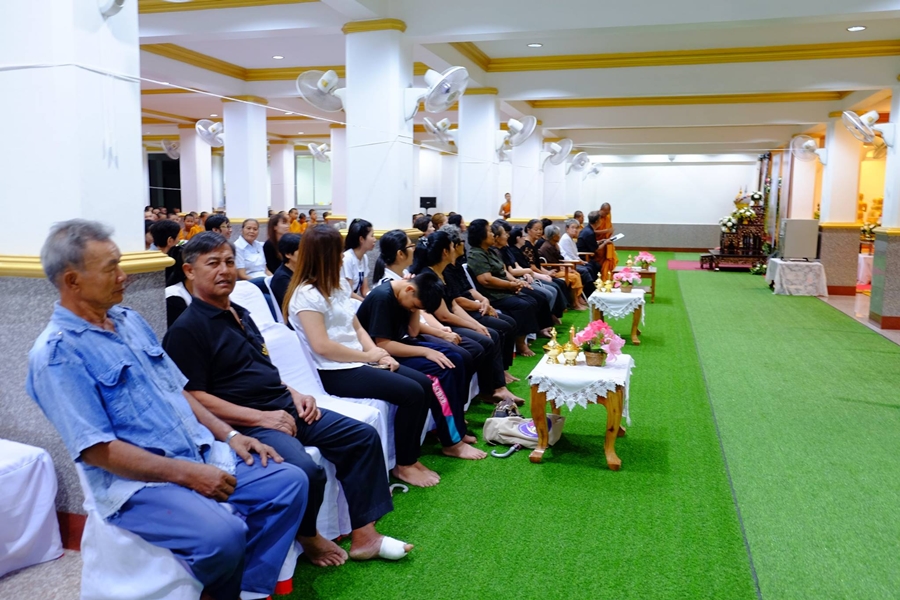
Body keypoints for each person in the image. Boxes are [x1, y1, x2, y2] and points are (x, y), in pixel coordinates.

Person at [28, 220, 307, 600]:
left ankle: (250, 590)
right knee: (223, 536)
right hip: (138, 484)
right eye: (111, 268)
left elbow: (178, 391)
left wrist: (230, 435)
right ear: (72, 281)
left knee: (289, 482)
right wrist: (190, 475)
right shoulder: (57, 355)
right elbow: (97, 450)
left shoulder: (129, 320)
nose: (124, 276)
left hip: (198, 451)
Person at [164, 233, 412, 566]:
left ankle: (365, 535)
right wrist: (260, 418)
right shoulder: (186, 330)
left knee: (361, 436)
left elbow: (261, 368)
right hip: (248, 422)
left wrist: (295, 393)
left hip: (285, 405)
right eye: (213, 263)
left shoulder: (239, 313)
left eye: (229, 261)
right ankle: (309, 537)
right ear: (189, 271)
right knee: (305, 470)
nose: (224, 270)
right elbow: (194, 398)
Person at [283, 226, 439, 487]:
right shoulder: (306, 295)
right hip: (333, 370)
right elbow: (322, 347)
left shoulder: (336, 286)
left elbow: (355, 327)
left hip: (357, 360)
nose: (342, 257)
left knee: (423, 383)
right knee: (411, 392)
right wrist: (368, 355)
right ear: (323, 255)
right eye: (337, 251)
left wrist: (378, 355)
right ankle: (404, 464)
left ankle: (410, 458)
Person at [356, 271, 487, 460]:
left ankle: (456, 427)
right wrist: (426, 352)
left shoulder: (406, 293)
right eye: (415, 305)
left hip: (398, 344)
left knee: (456, 359)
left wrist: (416, 309)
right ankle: (452, 443)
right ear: (409, 289)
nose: (413, 309)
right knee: (439, 370)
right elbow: (383, 345)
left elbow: (413, 331)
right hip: (381, 355)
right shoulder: (382, 298)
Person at [410, 231, 523, 405]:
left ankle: (495, 387)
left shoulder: (443, 272)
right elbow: (444, 315)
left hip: (448, 320)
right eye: (452, 245)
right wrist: (473, 326)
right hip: (439, 325)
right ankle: (490, 390)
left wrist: (475, 324)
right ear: (445, 251)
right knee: (486, 339)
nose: (456, 248)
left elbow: (454, 305)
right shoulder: (429, 276)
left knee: (489, 333)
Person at [440, 225, 519, 384]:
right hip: (465, 310)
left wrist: (484, 301)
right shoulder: (445, 270)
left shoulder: (457, 264)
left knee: (509, 323)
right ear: (452, 247)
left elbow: (469, 289)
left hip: (472, 305)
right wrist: (480, 306)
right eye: (460, 241)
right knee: (498, 330)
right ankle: (495, 382)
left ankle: (503, 370)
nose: (464, 244)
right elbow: (457, 301)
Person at [466, 219, 548, 357]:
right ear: (481, 235)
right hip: (492, 294)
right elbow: (486, 280)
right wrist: (510, 285)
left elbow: (503, 272)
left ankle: (527, 337)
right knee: (523, 305)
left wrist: (515, 283)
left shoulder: (490, 251)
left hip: (503, 290)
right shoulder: (476, 254)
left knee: (532, 300)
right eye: (489, 231)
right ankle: (521, 344)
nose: (493, 234)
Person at [499, 225, 563, 322]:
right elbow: (510, 271)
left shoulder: (509, 250)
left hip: (524, 277)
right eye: (505, 234)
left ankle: (548, 317)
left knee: (553, 288)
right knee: (545, 294)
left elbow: (518, 266)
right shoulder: (507, 251)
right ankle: (543, 321)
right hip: (516, 280)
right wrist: (527, 273)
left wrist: (528, 272)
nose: (507, 236)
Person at [539, 225, 588, 309]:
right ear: (553, 236)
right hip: (553, 271)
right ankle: (575, 303)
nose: (559, 236)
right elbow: (552, 263)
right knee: (574, 277)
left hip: (559, 268)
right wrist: (564, 268)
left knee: (576, 274)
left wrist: (566, 267)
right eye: (558, 234)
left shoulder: (554, 245)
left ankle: (578, 298)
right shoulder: (547, 247)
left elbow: (560, 258)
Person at [559, 219, 598, 293]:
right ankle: (590, 292)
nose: (575, 230)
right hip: (569, 264)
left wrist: (580, 260)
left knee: (591, 265)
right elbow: (569, 256)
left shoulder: (571, 238)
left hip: (574, 261)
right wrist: (579, 261)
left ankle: (593, 288)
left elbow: (575, 254)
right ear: (567, 229)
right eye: (573, 227)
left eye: (576, 228)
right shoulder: (566, 239)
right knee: (585, 270)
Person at [342, 219, 375, 301]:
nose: (375, 239)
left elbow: (365, 290)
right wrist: (366, 303)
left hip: (355, 302)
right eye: (372, 236)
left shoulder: (364, 257)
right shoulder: (347, 258)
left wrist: (374, 298)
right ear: (361, 239)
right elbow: (349, 293)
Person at [577, 210, 612, 280]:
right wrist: (605, 242)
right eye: (600, 219)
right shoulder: (590, 232)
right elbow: (596, 249)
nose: (601, 221)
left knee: (597, 265)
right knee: (596, 266)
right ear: (597, 221)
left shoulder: (587, 229)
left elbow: (590, 243)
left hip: (585, 255)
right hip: (584, 257)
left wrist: (599, 241)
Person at [270, 233, 301, 310]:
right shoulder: (281, 278)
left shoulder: (302, 269)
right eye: (301, 250)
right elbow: (296, 303)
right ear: (288, 254)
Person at [150, 219, 185, 287]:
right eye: (178, 236)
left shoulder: (151, 254)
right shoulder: (159, 261)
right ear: (170, 240)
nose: (179, 240)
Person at [594, 202, 619, 280]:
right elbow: (592, 231)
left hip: (606, 242)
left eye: (608, 213)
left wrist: (610, 233)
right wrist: (605, 231)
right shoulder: (595, 216)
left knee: (610, 260)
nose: (607, 214)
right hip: (598, 243)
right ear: (601, 210)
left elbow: (609, 227)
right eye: (606, 212)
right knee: (599, 264)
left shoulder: (608, 216)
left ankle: (608, 278)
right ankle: (600, 279)